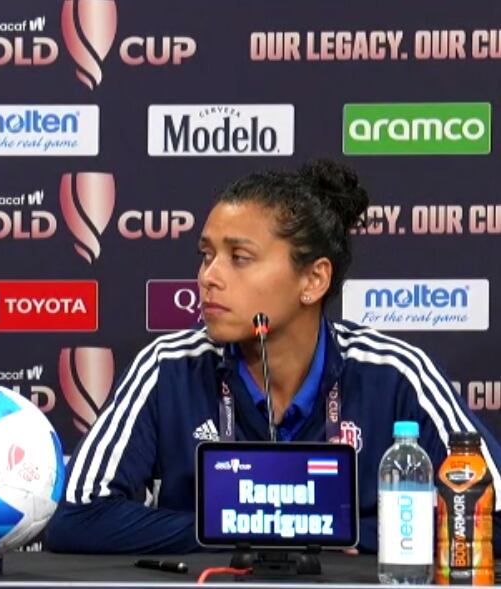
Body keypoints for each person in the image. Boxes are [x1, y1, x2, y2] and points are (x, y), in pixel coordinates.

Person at [45, 159, 501, 554]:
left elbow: (493, 516)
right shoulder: (168, 366)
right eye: (206, 255)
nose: (208, 277)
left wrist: (339, 534)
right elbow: (77, 516)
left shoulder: (396, 374)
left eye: (239, 257)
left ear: (313, 280)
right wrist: (245, 531)